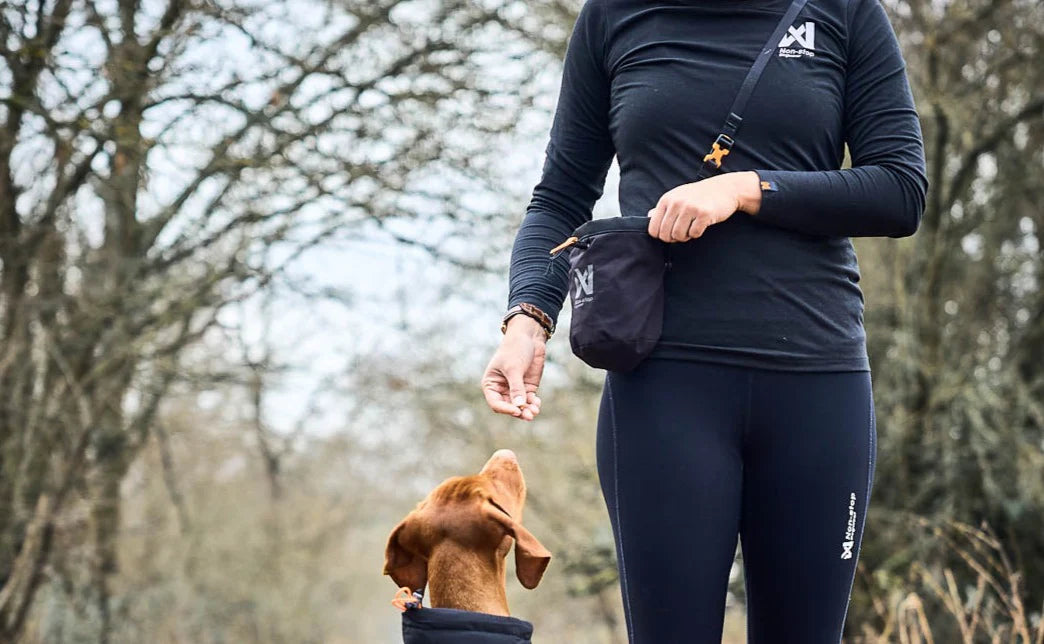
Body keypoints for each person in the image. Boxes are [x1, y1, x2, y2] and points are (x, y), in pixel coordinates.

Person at [480, 0, 927, 640]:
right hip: (664, 387)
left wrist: (744, 189)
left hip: (816, 383)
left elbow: (899, 188)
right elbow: (559, 198)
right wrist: (527, 320)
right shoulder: (614, 16)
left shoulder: (844, 11)